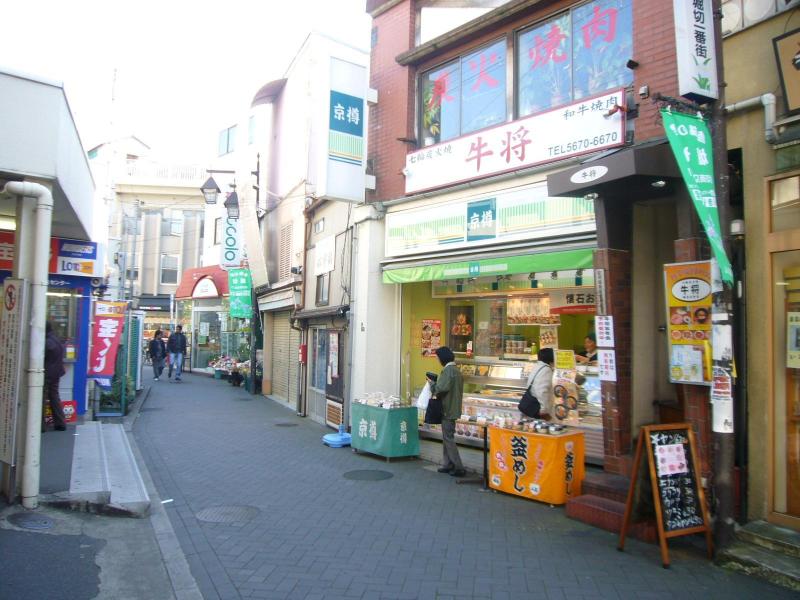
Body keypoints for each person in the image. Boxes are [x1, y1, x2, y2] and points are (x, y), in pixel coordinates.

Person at [428, 346, 466, 478]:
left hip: (447, 409)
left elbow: (440, 388)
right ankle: (447, 463)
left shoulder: (448, 371)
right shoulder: (456, 370)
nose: (438, 360)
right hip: (453, 408)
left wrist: (431, 383)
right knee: (447, 436)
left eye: (438, 358)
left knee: (448, 438)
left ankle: (458, 466)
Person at [43, 321, 67, 432]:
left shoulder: (47, 342)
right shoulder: (56, 340)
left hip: (47, 373)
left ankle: (40, 425)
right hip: (56, 372)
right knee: (54, 397)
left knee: (41, 399)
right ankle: (60, 423)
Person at [522, 347, 554, 418]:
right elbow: (542, 391)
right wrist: (544, 411)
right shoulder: (546, 370)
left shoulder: (537, 366)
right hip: (538, 408)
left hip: (532, 404)